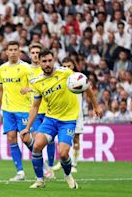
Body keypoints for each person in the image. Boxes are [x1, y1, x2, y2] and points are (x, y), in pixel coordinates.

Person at [20, 49, 102, 189]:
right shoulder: (37, 82)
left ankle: (68, 175)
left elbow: (86, 85)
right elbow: (35, 107)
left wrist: (95, 106)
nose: (47, 64)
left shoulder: (65, 73)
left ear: (54, 60)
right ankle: (40, 180)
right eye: (44, 61)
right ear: (39, 62)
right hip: (51, 119)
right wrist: (27, 128)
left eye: (49, 61)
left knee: (63, 153)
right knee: (37, 146)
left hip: (68, 120)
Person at [0, 41, 34, 182]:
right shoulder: (2, 69)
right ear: (6, 52)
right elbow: (1, 90)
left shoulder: (26, 68)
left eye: (15, 49)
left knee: (26, 139)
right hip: (8, 110)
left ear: (19, 51)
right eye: (10, 50)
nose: (12, 52)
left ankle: (42, 162)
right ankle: (20, 172)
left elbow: (36, 85)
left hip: (23, 109)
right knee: (11, 137)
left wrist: (28, 89)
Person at [20, 43, 56, 179]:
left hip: (48, 109)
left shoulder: (46, 69)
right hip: (34, 110)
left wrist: (29, 89)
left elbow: (44, 86)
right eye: (33, 52)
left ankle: (50, 167)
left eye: (37, 52)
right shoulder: (26, 70)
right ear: (30, 54)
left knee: (50, 140)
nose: (35, 55)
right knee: (35, 138)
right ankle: (44, 166)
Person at [52, 57, 84, 173]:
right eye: (64, 66)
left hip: (77, 114)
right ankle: (62, 161)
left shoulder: (79, 78)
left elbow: (88, 90)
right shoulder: (60, 78)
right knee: (61, 139)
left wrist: (95, 106)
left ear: (73, 66)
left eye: (68, 66)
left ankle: (74, 164)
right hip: (63, 113)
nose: (66, 68)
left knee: (76, 139)